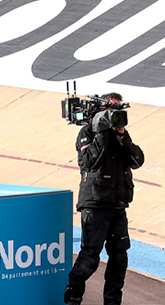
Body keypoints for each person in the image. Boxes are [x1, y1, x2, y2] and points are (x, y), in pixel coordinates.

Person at [64, 93, 145, 305]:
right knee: (91, 256)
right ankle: (72, 296)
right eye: (112, 111)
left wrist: (122, 135)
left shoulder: (120, 136)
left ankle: (112, 302)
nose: (115, 115)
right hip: (95, 204)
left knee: (119, 257)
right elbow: (89, 162)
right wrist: (101, 132)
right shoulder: (88, 132)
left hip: (118, 205)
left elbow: (138, 160)